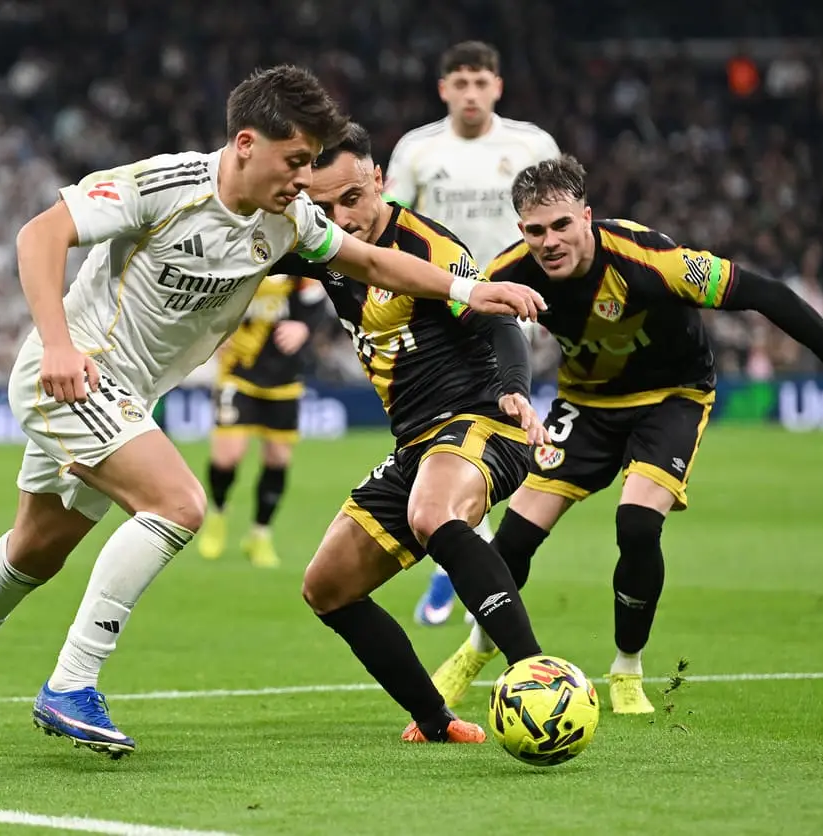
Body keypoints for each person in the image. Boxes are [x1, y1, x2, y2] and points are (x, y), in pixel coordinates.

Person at [0, 66, 546, 759]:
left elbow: (372, 263)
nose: (303, 181)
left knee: (35, 549)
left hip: (129, 395)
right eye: (295, 161)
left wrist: (465, 291)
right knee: (178, 505)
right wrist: (55, 343)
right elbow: (39, 236)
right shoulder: (163, 186)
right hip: (75, 374)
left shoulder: (287, 218)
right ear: (244, 143)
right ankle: (71, 685)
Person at [431, 155, 823, 715]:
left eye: (561, 226)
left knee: (637, 524)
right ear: (521, 231)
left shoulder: (654, 261)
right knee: (515, 539)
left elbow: (767, 294)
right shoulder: (510, 270)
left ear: (587, 217)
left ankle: (626, 667)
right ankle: (478, 646)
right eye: (534, 230)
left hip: (672, 398)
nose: (548, 242)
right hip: (587, 404)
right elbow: (489, 323)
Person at [271, 122, 551, 744]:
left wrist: (514, 389)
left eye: (351, 198)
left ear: (380, 181)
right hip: (416, 444)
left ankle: (535, 671)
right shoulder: (323, 246)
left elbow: (495, 315)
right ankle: (437, 718)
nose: (340, 218)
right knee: (327, 586)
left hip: (483, 421)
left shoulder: (426, 244)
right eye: (321, 207)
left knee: (432, 510)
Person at [384, 40, 561, 626]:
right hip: (441, 306)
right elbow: (389, 228)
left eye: (480, 82)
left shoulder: (531, 145)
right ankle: (461, 551)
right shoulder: (417, 149)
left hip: (511, 301)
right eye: (459, 83)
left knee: (496, 422)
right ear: (444, 89)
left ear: (497, 87)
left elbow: (557, 219)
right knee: (465, 421)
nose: (470, 93)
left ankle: (458, 550)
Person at [195, 273, 327, 568]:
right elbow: (208, 300)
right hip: (238, 372)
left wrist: (304, 327)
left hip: (284, 379)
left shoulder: (298, 267)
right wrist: (213, 333)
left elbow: (318, 302)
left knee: (278, 459)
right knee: (227, 457)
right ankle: (217, 515)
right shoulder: (241, 261)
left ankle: (259, 534)